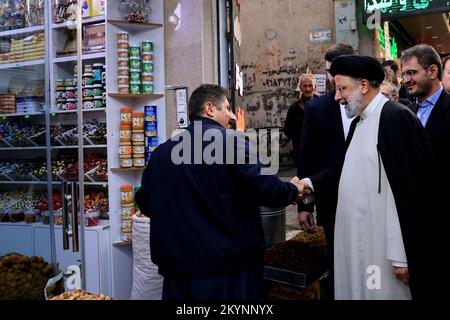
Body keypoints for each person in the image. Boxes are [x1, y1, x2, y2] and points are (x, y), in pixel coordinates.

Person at [135, 84, 303, 301]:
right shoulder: (231, 143)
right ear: (209, 109)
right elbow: (266, 188)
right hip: (226, 274)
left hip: (177, 275)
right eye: (227, 108)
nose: (233, 116)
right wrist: (294, 189)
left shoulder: (160, 154)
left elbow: (145, 202)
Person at [298, 54, 434, 300]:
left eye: (342, 89)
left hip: (382, 251)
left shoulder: (396, 119)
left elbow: (414, 192)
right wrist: (308, 184)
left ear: (363, 85)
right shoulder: (359, 122)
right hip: (357, 241)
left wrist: (402, 255)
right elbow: (340, 170)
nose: (337, 96)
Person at [296, 43, 355, 299]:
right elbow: (307, 157)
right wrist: (305, 204)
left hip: (371, 199)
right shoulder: (316, 108)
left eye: (339, 71)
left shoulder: (377, 105)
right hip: (331, 201)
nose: (334, 79)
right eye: (330, 72)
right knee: (337, 261)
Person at [283, 73, 318, 164]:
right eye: (305, 86)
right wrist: (300, 137)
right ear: (300, 88)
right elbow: (287, 129)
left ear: (315, 87)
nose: (308, 89)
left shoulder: (322, 105)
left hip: (319, 151)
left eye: (310, 85)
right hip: (300, 152)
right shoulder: (294, 108)